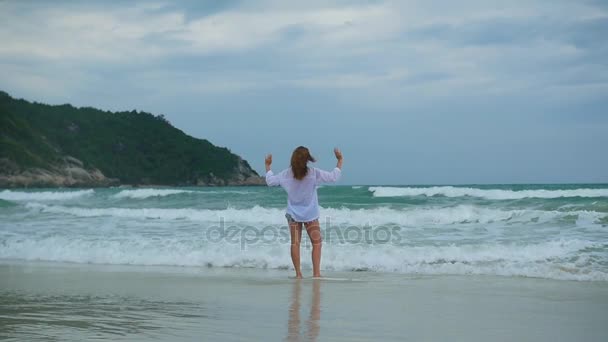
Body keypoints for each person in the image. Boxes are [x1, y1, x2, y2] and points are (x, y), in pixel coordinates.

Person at [265, 146, 343, 278]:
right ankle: (316, 274)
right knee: (317, 243)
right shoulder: (313, 173)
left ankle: (298, 274)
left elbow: (270, 181)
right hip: (310, 214)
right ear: (308, 159)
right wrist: (340, 160)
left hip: (293, 214)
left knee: (295, 243)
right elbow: (333, 177)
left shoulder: (286, 174)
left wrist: (268, 166)